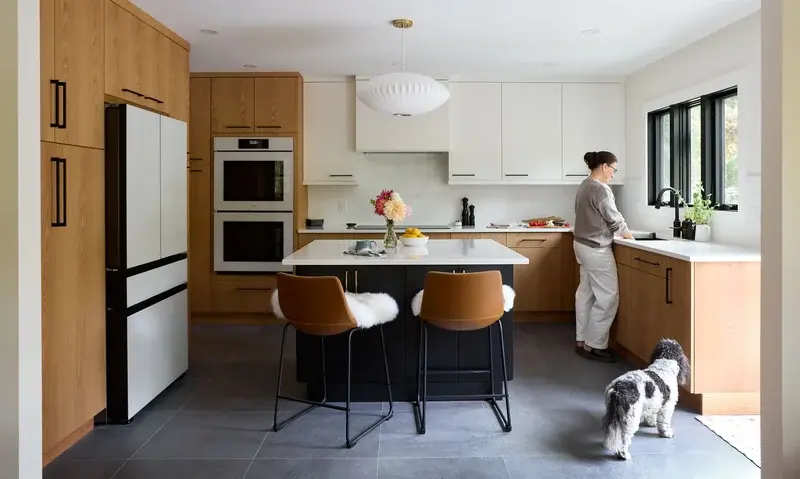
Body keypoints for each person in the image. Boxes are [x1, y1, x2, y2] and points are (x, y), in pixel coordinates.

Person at [572, 151, 633, 362]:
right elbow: (613, 219)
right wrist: (629, 236)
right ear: (605, 166)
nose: (614, 175)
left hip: (581, 245)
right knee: (608, 297)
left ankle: (581, 339)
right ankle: (595, 345)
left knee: (586, 293)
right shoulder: (600, 190)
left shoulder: (584, 185)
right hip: (596, 248)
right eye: (614, 169)